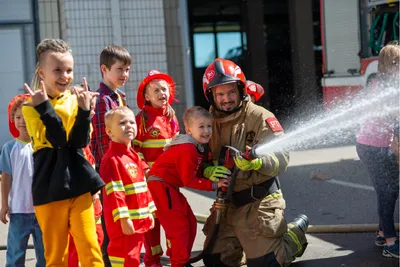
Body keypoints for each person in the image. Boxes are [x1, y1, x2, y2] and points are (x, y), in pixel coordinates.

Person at [200, 58, 309, 267]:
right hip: (228, 205)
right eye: (220, 94)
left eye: (231, 92)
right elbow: (196, 158)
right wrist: (207, 170)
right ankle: (247, 246)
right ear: (211, 96)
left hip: (259, 203)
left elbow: (282, 158)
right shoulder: (206, 123)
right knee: (215, 262)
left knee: (266, 264)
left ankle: (294, 236)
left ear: (240, 90)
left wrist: (258, 163)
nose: (226, 99)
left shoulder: (260, 117)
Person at [21, 38, 105, 266]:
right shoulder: (30, 107)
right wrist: (44, 107)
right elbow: (58, 140)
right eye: (57, 70)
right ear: (41, 72)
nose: (64, 76)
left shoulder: (78, 100)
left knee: (91, 249)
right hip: (49, 188)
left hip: (79, 184)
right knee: (56, 256)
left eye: (69, 70)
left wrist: (85, 110)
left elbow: (78, 142)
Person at [147, 106, 229, 267]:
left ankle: (181, 260)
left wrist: (208, 169)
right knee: (179, 228)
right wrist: (214, 184)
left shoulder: (196, 146)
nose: (206, 131)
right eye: (201, 127)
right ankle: (179, 263)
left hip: (168, 186)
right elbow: (188, 181)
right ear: (189, 130)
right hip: (161, 186)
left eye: (209, 126)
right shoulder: (188, 148)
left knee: (190, 222)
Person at [356, 43, 400, 258]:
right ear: (390, 65)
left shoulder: (380, 83)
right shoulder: (385, 86)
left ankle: (382, 233)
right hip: (375, 147)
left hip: (370, 145)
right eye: (397, 62)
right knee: (388, 192)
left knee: (387, 191)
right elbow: (394, 117)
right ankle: (391, 244)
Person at [134, 70, 180, 267]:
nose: (162, 93)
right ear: (146, 96)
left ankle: (175, 258)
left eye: (165, 89)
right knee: (152, 222)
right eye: (156, 90)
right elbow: (135, 149)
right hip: (150, 182)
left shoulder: (172, 116)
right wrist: (145, 170)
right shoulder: (141, 119)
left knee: (172, 221)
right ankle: (153, 260)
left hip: (170, 180)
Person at [100, 106, 156, 266]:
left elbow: (143, 187)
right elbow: (115, 193)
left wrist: (150, 211)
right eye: (122, 123)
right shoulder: (112, 159)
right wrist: (124, 218)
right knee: (124, 257)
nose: (129, 126)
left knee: (134, 257)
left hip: (138, 220)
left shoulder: (134, 157)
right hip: (124, 224)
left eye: (132, 122)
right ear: (109, 132)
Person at [91, 44, 131, 266]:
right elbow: (102, 140)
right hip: (108, 171)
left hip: (121, 167)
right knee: (109, 221)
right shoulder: (102, 100)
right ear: (104, 69)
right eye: (119, 69)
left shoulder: (118, 97)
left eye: (127, 69)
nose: (124, 74)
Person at [0, 94, 46, 267]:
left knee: (45, 255)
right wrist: (4, 204)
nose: (22, 121)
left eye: (27, 117)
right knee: (15, 254)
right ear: (12, 119)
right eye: (18, 117)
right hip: (18, 210)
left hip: (43, 210)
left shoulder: (43, 146)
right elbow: (6, 179)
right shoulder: (9, 148)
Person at [68, 85, 105, 267]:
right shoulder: (69, 134)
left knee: (96, 238)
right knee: (73, 246)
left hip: (92, 200)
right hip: (76, 198)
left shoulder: (88, 128)